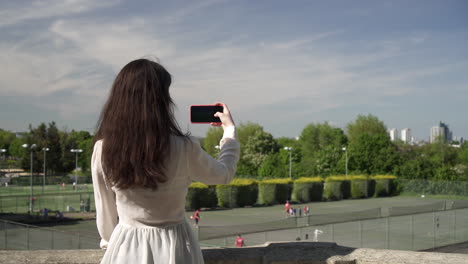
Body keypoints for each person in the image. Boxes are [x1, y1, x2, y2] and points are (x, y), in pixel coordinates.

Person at [91, 58, 240, 264]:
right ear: (161, 100)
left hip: (126, 249)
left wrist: (110, 241)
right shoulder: (184, 147)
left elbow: (105, 214)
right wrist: (229, 133)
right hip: (177, 248)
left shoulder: (103, 149)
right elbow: (224, 174)